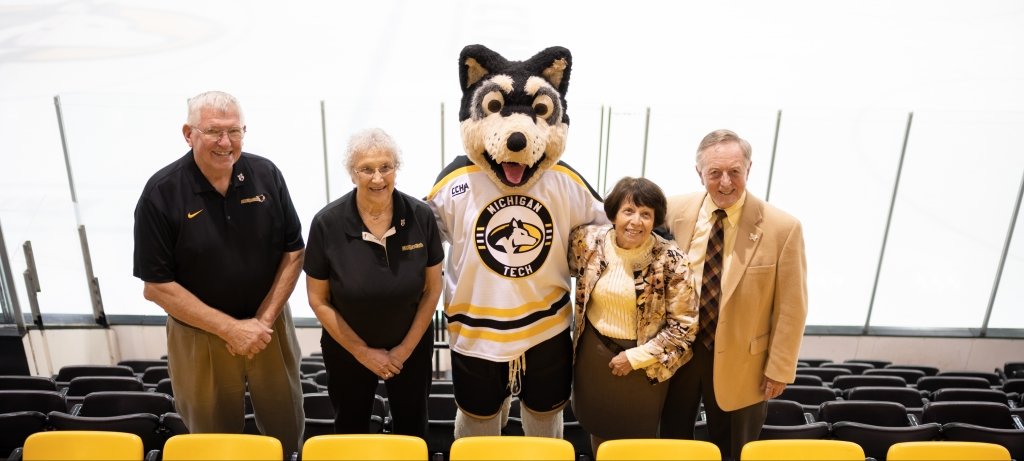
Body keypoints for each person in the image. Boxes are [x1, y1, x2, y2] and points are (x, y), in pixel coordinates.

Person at [133, 90, 305, 452]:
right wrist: (229, 328)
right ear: (188, 133)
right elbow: (157, 286)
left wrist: (262, 321)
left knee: (286, 430)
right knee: (214, 442)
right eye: (213, 131)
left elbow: (294, 251)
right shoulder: (161, 194)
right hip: (201, 338)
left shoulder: (266, 174)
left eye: (235, 131)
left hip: (268, 328)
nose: (225, 142)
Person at [659, 129, 808, 460]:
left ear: (749, 169)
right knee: (670, 444)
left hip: (745, 366)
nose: (725, 182)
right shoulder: (671, 211)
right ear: (700, 173)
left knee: (735, 451)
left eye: (734, 172)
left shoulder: (783, 228)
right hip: (677, 355)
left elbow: (792, 308)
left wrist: (779, 368)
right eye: (715, 173)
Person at [304, 128, 443, 437]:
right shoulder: (327, 223)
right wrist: (362, 352)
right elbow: (318, 299)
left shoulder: (420, 216)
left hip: (411, 348)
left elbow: (433, 289)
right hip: (347, 349)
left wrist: (404, 351)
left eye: (386, 167)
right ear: (353, 174)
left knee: (412, 428)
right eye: (366, 169)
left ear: (396, 169)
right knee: (351, 429)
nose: (378, 178)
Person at [568, 176, 699, 452]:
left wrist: (635, 358)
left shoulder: (671, 259)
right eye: (628, 211)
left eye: (645, 214)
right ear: (614, 213)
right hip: (593, 353)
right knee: (598, 427)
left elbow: (684, 328)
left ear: (655, 220)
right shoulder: (587, 241)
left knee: (637, 439)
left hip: (643, 361)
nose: (636, 221)